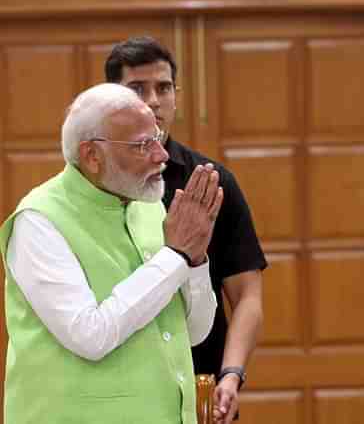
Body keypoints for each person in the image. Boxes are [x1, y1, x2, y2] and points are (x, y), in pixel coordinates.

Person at [0, 83, 222, 423]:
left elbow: (194, 331)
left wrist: (194, 260)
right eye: (142, 145)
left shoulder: (147, 206)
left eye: (157, 138)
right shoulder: (39, 220)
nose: (162, 155)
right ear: (92, 155)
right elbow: (90, 335)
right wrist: (176, 254)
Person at [105, 36, 267, 423]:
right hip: (115, 387)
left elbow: (247, 295)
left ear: (176, 95)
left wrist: (232, 374)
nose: (153, 101)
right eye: (137, 89)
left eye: (163, 88)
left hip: (197, 384)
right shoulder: (96, 184)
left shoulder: (210, 181)